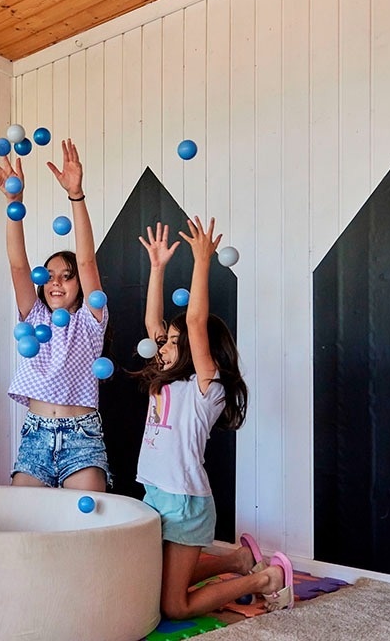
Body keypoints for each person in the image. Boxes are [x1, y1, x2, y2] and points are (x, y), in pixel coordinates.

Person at [136, 218, 294, 618]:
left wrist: (201, 260)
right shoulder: (164, 376)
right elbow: (154, 325)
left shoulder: (208, 387)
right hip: (157, 494)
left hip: (186, 502)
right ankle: (239, 560)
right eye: (166, 343)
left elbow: (194, 322)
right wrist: (156, 268)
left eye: (175, 343)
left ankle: (268, 578)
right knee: (151, 584)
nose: (165, 345)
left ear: (195, 348)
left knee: (173, 607)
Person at [0, 139, 109, 491]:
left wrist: (76, 196)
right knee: (27, 528)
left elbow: (87, 261)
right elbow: (17, 263)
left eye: (67, 278)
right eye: (50, 276)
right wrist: (13, 205)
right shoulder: (34, 317)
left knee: (85, 528)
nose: (56, 283)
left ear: (79, 286)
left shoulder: (90, 320)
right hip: (36, 433)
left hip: (81, 436)